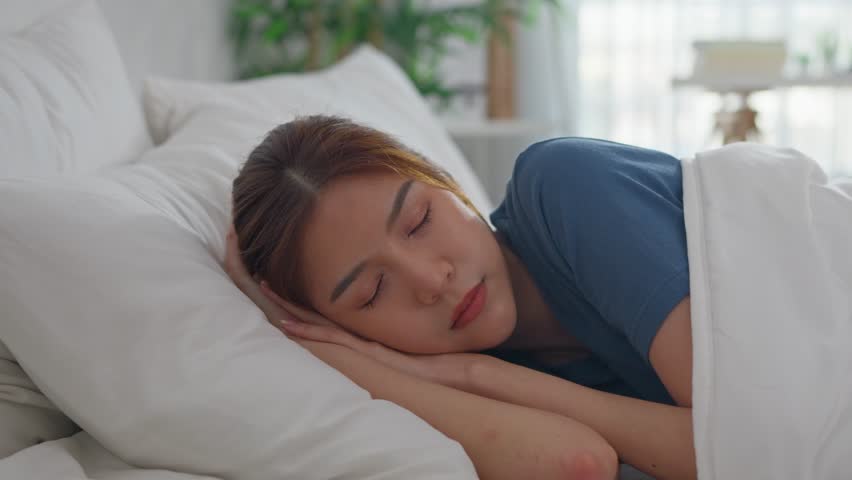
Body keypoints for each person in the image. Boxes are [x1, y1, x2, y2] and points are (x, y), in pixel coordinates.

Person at [225, 115, 695, 480]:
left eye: (419, 222)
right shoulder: (466, 378)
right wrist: (307, 343)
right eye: (373, 293)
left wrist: (476, 374)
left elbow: (744, 445)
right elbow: (575, 464)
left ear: (444, 179)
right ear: (340, 328)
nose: (431, 281)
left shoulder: (566, 186)